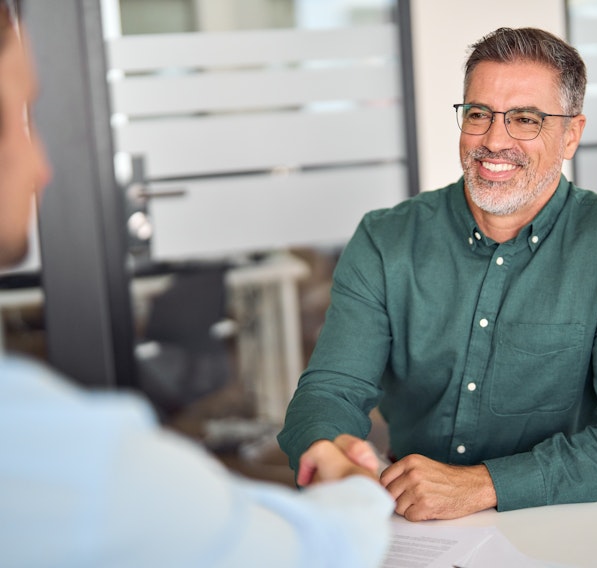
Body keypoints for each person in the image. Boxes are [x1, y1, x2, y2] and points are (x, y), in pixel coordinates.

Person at [0, 2, 392, 566]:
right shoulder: (68, 461)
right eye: (20, 119)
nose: (42, 168)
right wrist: (354, 482)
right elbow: (311, 552)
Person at [278, 27, 597, 522]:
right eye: (478, 114)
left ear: (571, 135)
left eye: (525, 119)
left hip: (561, 523)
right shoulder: (386, 240)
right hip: (415, 525)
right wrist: (334, 451)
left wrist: (482, 485)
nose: (494, 140)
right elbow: (329, 393)